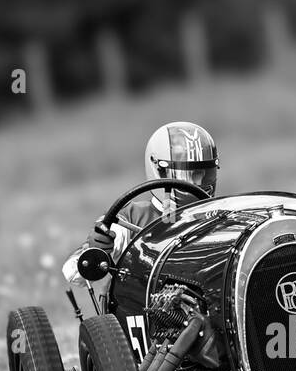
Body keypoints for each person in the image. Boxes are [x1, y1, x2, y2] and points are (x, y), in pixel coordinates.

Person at [62, 121, 218, 287]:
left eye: (202, 174)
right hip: (141, 306)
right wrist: (96, 252)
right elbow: (71, 272)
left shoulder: (219, 217)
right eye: (188, 175)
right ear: (159, 170)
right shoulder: (130, 218)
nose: (197, 183)